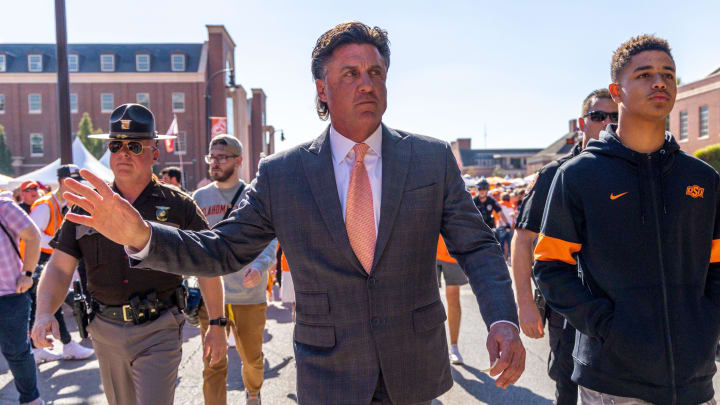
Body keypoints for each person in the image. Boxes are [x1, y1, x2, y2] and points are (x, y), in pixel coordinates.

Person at [62, 22, 524, 404]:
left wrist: (503, 318)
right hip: (330, 374)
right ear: (321, 89)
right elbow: (222, 250)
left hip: (414, 367)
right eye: (350, 74)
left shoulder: (431, 159)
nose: (367, 83)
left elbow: (479, 246)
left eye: (376, 72)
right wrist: (143, 235)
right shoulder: (284, 173)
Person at [534, 35, 719, 404]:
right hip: (611, 380)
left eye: (668, 73)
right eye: (645, 74)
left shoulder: (702, 179)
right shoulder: (579, 175)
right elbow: (551, 267)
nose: (660, 82)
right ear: (616, 91)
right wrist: (608, 327)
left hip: (693, 379)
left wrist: (706, 324)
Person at [31, 103, 227, 405]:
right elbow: (59, 266)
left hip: (159, 326)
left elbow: (207, 265)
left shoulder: (179, 205)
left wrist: (216, 323)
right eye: (116, 144)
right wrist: (43, 312)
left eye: (134, 145)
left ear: (154, 154)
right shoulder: (87, 206)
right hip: (104, 330)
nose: (123, 152)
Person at [511, 88, 617, 405]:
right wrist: (525, 303)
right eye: (598, 116)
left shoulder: (632, 171)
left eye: (614, 116)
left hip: (621, 308)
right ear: (582, 124)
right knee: (570, 390)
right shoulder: (555, 173)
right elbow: (523, 239)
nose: (607, 122)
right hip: (568, 306)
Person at [192, 134, 278, 405]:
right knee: (212, 363)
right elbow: (192, 241)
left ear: (238, 161)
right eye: (212, 157)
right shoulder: (199, 198)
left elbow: (269, 236)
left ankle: (253, 392)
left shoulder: (254, 196)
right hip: (210, 295)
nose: (214, 163)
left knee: (252, 359)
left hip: (248, 294)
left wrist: (260, 265)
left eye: (222, 157)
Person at [28, 164, 94, 364]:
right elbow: (32, 237)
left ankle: (59, 345)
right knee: (49, 303)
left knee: (50, 305)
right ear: (65, 182)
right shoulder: (45, 205)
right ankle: (62, 344)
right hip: (38, 261)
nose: (79, 188)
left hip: (50, 260)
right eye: (76, 183)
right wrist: (65, 244)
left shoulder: (63, 205)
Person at [0, 197, 44, 405]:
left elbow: (34, 236)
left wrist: (28, 273)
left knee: (17, 351)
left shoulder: (3, 207)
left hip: (9, 294)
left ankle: (31, 399)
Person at [435, 236, 468, 365]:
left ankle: (453, 346)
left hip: (452, 251)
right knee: (427, 300)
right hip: (427, 249)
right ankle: (433, 347)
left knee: (453, 298)